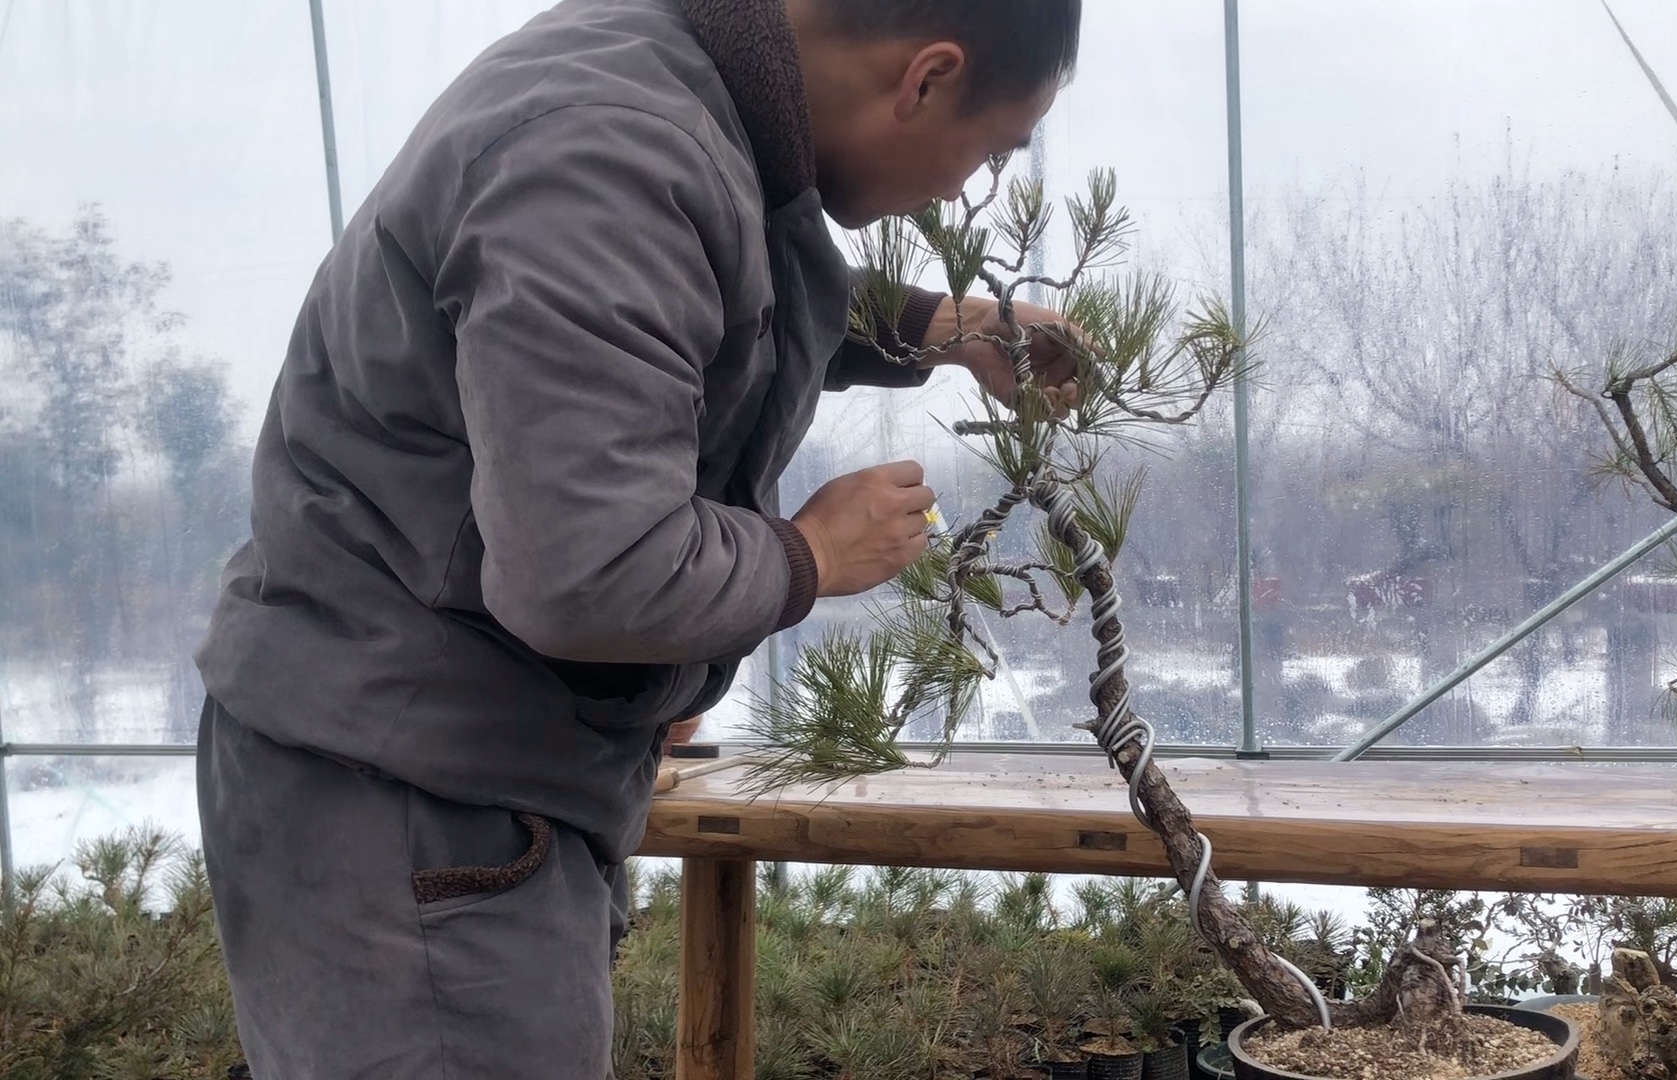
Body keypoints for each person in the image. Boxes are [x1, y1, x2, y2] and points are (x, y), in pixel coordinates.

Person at [191, 0, 1084, 1076]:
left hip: (435, 768)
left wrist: (953, 329)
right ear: (926, 76)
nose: (956, 190)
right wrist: (811, 556)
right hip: (405, 794)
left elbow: (696, 293)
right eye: (984, 152)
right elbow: (588, 570)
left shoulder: (681, 91)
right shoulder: (607, 154)